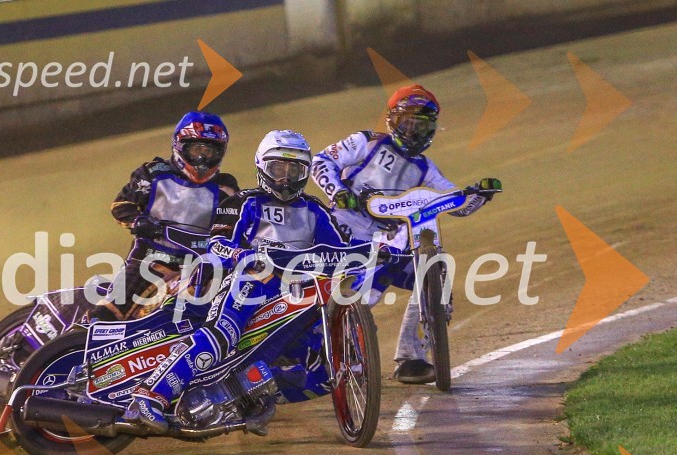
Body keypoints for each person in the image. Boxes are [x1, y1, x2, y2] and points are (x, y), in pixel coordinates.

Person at [124, 130, 349, 433]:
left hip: (298, 295)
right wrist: (244, 254)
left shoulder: (316, 210)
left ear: (305, 172)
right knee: (221, 337)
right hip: (249, 283)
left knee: (324, 370)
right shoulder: (243, 201)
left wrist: (380, 250)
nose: (285, 178)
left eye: (294, 170)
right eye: (277, 169)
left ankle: (241, 396)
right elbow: (216, 243)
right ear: (262, 167)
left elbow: (340, 252)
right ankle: (147, 397)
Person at [311, 84, 500, 384]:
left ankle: (411, 358)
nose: (412, 131)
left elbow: (455, 204)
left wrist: (479, 194)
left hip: (386, 243)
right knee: (333, 303)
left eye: (420, 125)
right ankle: (309, 348)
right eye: (407, 122)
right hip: (340, 234)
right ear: (392, 120)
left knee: (434, 276)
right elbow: (320, 161)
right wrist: (340, 192)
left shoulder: (426, 168)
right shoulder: (366, 142)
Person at [90, 111, 239, 321]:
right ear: (180, 146)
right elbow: (122, 206)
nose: (202, 159)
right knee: (108, 313)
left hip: (199, 266)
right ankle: (77, 339)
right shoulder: (153, 173)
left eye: (210, 152)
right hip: (150, 258)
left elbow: (234, 226)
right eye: (196, 150)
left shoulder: (227, 188)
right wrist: (140, 222)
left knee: (228, 308)